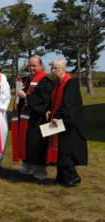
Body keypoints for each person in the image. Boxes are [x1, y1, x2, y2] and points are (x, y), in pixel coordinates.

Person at [46, 58, 88, 187]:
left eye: (55, 68)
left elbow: (68, 103)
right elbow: (54, 100)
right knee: (60, 149)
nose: (52, 71)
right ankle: (61, 177)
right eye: (52, 68)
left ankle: (73, 177)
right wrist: (49, 109)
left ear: (62, 69)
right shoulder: (59, 82)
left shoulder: (70, 83)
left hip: (69, 122)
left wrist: (57, 116)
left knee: (64, 150)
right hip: (61, 119)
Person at [11, 56, 53, 180]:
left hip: (37, 119)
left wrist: (26, 97)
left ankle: (40, 173)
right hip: (24, 118)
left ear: (41, 65)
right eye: (30, 66)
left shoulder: (45, 82)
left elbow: (43, 101)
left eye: (34, 66)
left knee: (36, 146)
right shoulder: (27, 80)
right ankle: (26, 169)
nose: (31, 68)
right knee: (25, 144)